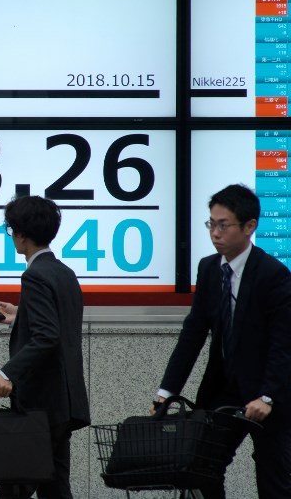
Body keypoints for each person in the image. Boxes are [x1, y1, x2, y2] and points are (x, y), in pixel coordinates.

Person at [152, 184, 291, 498]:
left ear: (249, 226)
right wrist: (166, 391)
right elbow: (193, 334)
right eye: (211, 224)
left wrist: (267, 396)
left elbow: (283, 344)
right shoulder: (209, 269)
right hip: (224, 389)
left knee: (273, 476)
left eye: (223, 225)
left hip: (268, 393)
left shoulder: (273, 275)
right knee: (203, 467)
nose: (215, 233)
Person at [0, 195, 90, 499]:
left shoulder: (34, 275)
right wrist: (21, 317)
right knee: (55, 487)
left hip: (41, 406)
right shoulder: (64, 273)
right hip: (63, 404)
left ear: (21, 234)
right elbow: (59, 327)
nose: (11, 236)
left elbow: (47, 337)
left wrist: (6, 373)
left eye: (11, 230)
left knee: (15, 487)